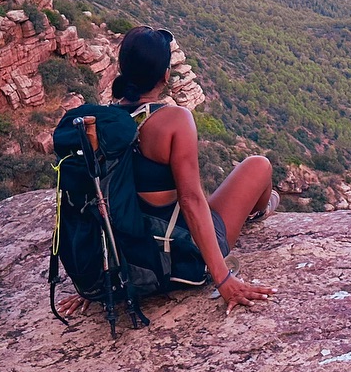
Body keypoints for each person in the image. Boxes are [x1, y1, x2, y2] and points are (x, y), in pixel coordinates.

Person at [59, 25, 278, 317]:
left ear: (122, 70)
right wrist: (223, 278)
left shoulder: (99, 125)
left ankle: (264, 205)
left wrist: (92, 284)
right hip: (176, 258)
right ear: (165, 75)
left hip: (122, 261)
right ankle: (262, 209)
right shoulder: (174, 120)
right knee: (258, 166)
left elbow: (94, 198)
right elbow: (191, 201)